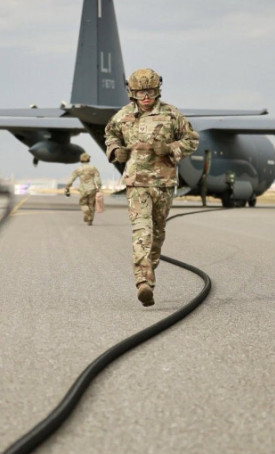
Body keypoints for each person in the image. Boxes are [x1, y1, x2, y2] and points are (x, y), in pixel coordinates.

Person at [104, 67, 198, 307]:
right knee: (142, 231)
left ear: (158, 90)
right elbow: (111, 135)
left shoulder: (171, 114)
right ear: (132, 93)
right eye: (141, 92)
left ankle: (149, 269)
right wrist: (116, 151)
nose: (146, 97)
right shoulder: (123, 116)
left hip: (164, 183)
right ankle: (143, 282)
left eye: (151, 91)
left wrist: (169, 148)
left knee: (156, 234)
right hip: (137, 183)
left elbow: (191, 140)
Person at [64, 152, 102, 225]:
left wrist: (67, 187)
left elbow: (72, 178)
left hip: (83, 189)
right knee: (91, 204)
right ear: (88, 159)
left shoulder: (78, 169)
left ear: (81, 160)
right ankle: (90, 219)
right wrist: (99, 187)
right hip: (92, 188)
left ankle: (87, 213)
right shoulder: (93, 168)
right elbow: (97, 179)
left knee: (83, 203)